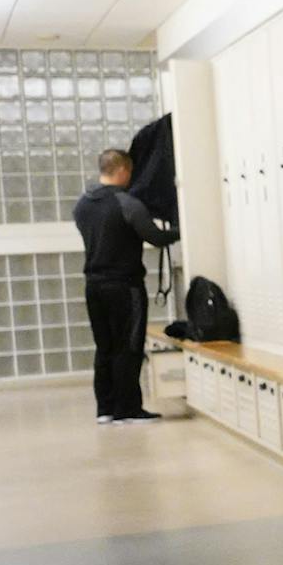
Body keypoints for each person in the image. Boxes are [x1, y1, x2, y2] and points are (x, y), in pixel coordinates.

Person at [73, 148, 178, 425]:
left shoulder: (82, 204)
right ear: (122, 170)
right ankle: (128, 409)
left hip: (94, 286)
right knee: (128, 346)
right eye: (129, 173)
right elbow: (154, 236)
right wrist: (180, 230)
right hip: (124, 286)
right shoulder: (126, 203)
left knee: (104, 347)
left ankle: (105, 409)